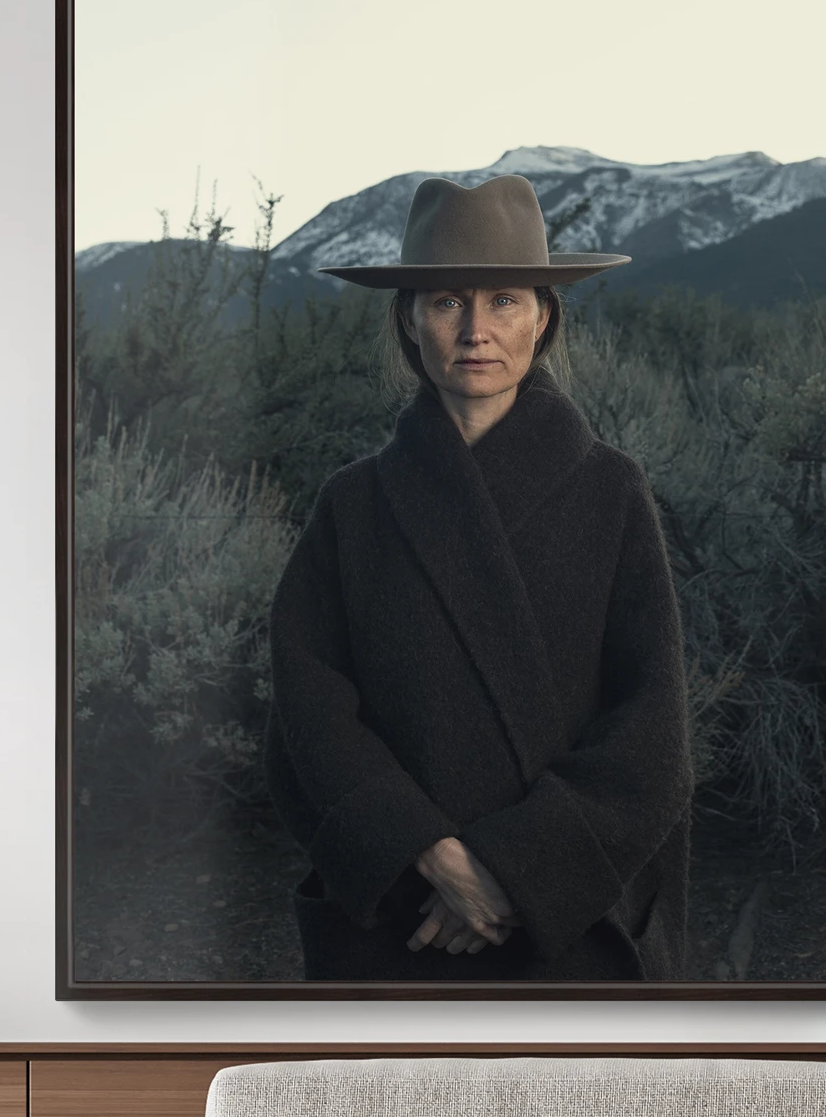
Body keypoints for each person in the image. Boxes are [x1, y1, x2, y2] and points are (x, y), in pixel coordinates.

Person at [263, 173, 693, 980]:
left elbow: (653, 732)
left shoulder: (611, 492)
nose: (475, 331)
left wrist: (511, 872)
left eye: (503, 300)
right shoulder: (350, 508)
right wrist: (433, 859)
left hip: (571, 924)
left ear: (544, 316)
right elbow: (308, 717)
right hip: (399, 926)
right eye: (446, 302)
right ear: (408, 320)